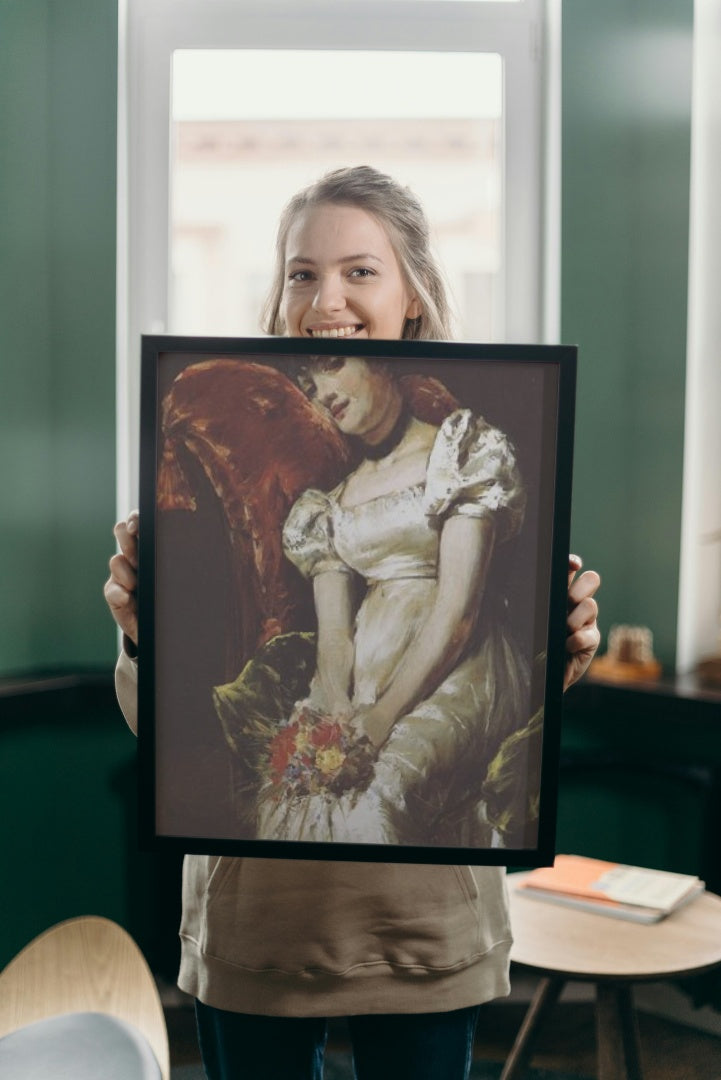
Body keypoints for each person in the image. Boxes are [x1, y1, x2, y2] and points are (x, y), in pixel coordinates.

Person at [105, 166, 601, 1080]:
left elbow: (464, 626)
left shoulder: (467, 450)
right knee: (295, 774)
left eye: (358, 271)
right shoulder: (322, 502)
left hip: (418, 924)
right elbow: (175, 724)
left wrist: (557, 652)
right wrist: (144, 637)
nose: (324, 299)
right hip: (258, 924)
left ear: (412, 294)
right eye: (301, 273)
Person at [252, 354, 529, 849]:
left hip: (454, 663)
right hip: (364, 670)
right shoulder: (327, 506)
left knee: (386, 792)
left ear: (385, 363)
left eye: (333, 365)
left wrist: (383, 716)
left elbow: (457, 612)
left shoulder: (459, 454)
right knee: (293, 796)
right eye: (310, 385)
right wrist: (339, 711)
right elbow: (335, 634)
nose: (323, 392)